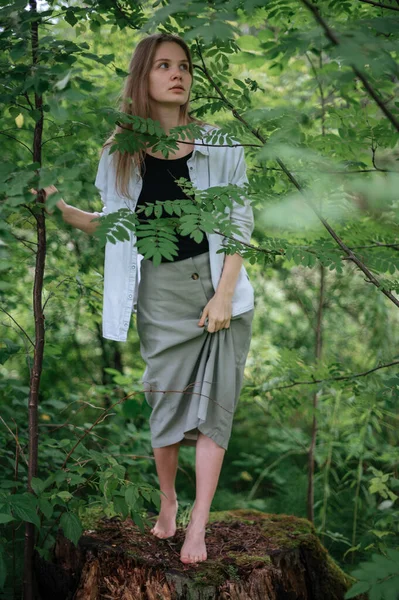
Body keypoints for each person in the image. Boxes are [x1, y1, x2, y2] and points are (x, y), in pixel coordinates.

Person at [35, 33, 255, 565]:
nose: (177, 74)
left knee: (214, 410)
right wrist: (64, 210)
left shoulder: (221, 145)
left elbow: (239, 222)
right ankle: (169, 502)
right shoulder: (119, 151)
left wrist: (225, 295)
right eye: (163, 65)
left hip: (219, 289)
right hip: (159, 287)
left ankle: (199, 520)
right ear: (144, 77)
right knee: (165, 402)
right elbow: (117, 225)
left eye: (184, 66)